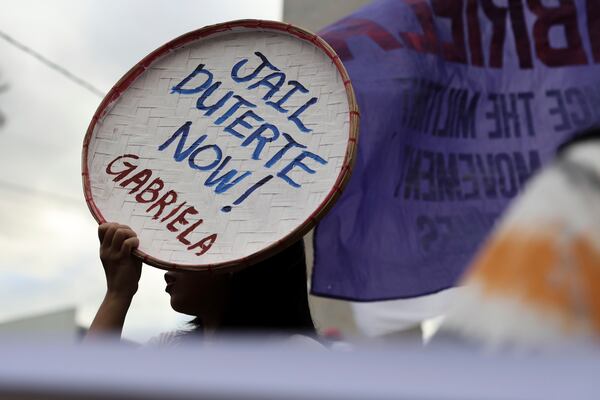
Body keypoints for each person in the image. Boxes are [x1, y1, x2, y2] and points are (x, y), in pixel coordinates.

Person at [86, 222, 316, 342]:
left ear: (235, 263)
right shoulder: (171, 349)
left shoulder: (297, 356)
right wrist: (118, 293)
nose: (168, 269)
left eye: (188, 251)